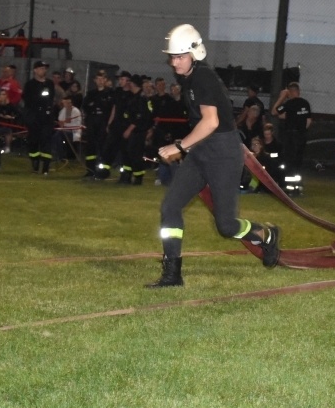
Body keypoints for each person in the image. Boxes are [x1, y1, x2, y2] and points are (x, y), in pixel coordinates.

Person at [149, 24, 281, 288]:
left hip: (222, 153)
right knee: (170, 207)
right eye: (172, 57)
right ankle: (172, 273)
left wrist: (180, 147)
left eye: (180, 57)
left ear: (195, 53)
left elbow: (210, 122)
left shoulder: (203, 78)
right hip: (202, 152)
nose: (175, 63)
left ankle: (265, 234)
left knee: (226, 226)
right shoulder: (188, 77)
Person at [22, 60, 57, 175]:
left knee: (46, 141)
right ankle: (35, 165)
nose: (44, 70)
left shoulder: (49, 84)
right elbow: (29, 100)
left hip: (46, 117)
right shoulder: (30, 85)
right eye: (41, 68)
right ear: (35, 70)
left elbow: (49, 99)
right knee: (33, 141)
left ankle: (45, 167)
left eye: (45, 68)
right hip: (34, 116)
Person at [271, 81, 311, 176]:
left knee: (289, 158)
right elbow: (308, 120)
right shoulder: (305, 103)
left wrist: (282, 97)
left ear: (290, 92)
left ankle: (288, 178)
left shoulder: (289, 104)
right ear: (298, 91)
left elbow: (274, 112)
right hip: (301, 135)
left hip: (291, 136)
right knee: (298, 158)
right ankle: (296, 180)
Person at [118, 74, 152, 185]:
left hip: (138, 131)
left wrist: (129, 129)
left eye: (130, 83)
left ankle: (138, 177)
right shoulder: (133, 97)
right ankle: (126, 176)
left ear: (133, 84)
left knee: (135, 153)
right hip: (131, 129)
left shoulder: (141, 98)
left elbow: (139, 116)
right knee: (127, 153)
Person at [81, 70, 114, 178]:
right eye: (98, 79)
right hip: (92, 122)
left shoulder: (110, 94)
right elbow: (86, 106)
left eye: (103, 79)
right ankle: (90, 170)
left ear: (106, 80)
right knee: (90, 147)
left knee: (103, 147)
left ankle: (103, 171)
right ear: (95, 80)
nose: (100, 81)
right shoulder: (91, 94)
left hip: (103, 122)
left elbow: (110, 109)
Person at [53, 94, 82, 162]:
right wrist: (63, 123)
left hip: (73, 131)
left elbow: (73, 123)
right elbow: (60, 120)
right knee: (58, 136)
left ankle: (60, 156)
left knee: (58, 134)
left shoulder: (75, 111)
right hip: (64, 130)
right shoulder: (64, 110)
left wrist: (64, 123)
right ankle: (60, 156)